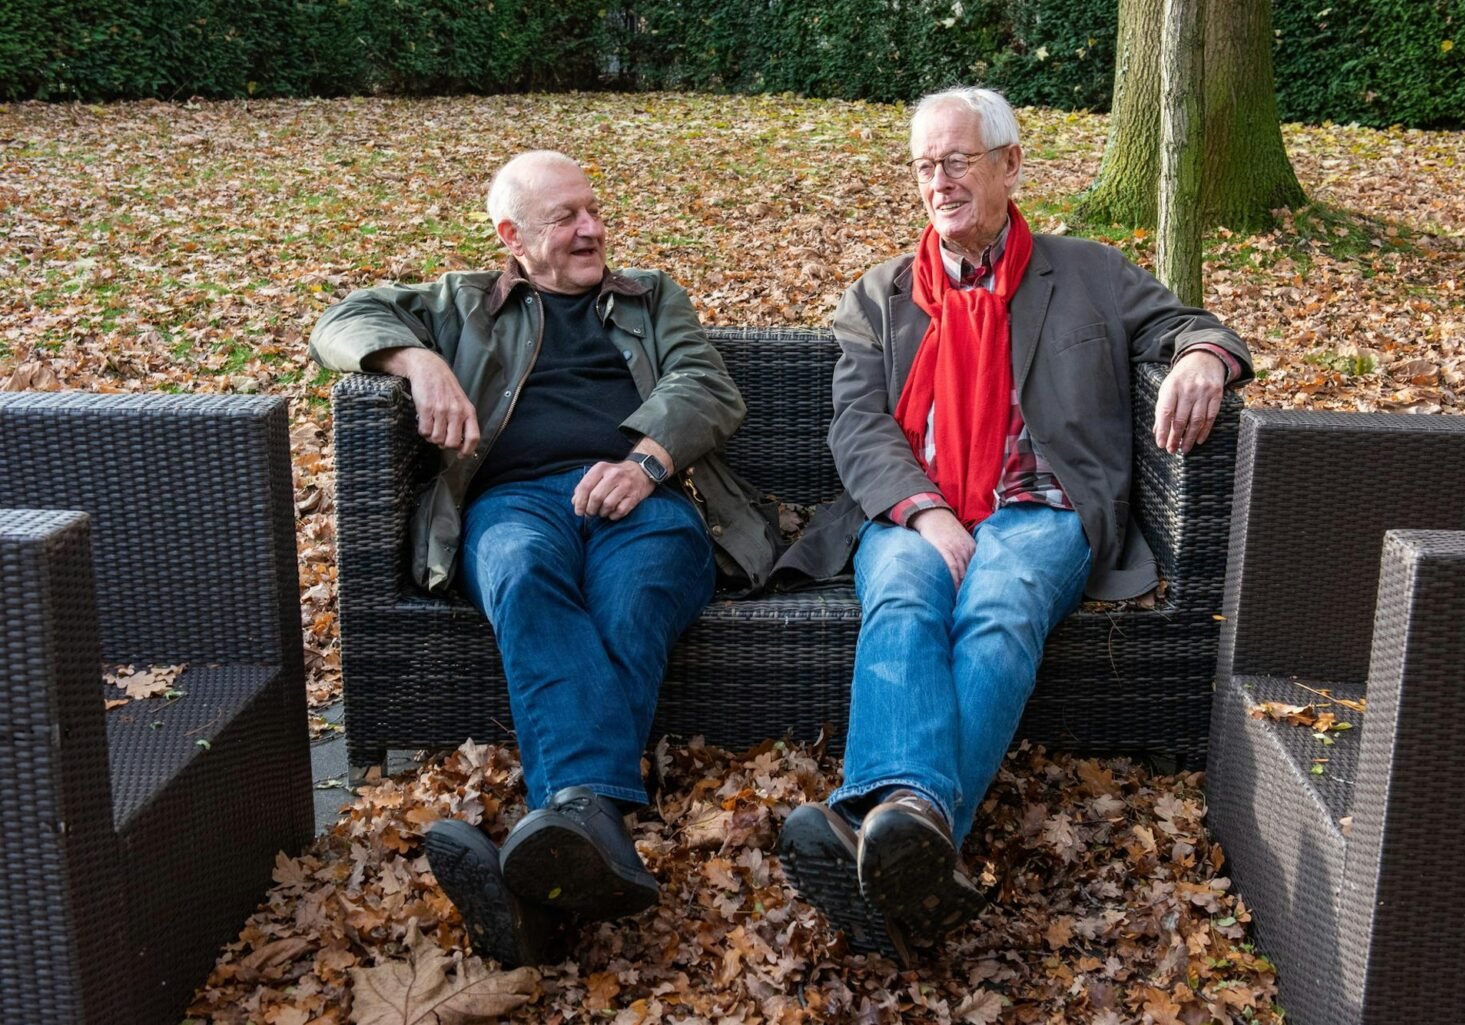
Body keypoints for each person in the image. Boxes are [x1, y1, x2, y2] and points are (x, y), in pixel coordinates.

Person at [773, 87, 1252, 958]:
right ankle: (916, 842)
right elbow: (857, 423)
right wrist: (924, 511)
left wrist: (1203, 360)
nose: (939, 181)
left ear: (1009, 164)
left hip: (1043, 508)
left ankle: (891, 828)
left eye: (957, 160)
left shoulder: (1089, 273)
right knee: (907, 599)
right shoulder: (881, 296)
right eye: (925, 166)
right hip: (912, 511)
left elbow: (1192, 325)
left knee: (999, 602)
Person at [309, 151, 777, 966]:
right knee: (523, 574)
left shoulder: (650, 296)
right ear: (512, 236)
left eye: (592, 210)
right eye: (565, 218)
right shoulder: (461, 300)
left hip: (646, 501)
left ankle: (561, 841)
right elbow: (340, 321)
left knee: (636, 594)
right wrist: (418, 361)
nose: (592, 229)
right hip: (514, 502)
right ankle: (587, 828)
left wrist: (643, 464)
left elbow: (706, 384)